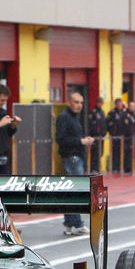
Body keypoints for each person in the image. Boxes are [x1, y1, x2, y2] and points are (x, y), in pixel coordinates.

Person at [55, 91, 93, 235]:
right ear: (69, 103)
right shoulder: (65, 118)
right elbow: (60, 139)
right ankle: (77, 223)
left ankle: (69, 223)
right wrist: (80, 141)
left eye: (81, 103)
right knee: (76, 191)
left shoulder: (74, 118)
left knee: (71, 192)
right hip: (72, 157)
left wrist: (84, 139)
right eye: (76, 102)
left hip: (75, 156)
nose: (79, 105)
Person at [106, 99, 129, 173]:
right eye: (118, 103)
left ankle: (122, 167)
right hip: (115, 136)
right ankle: (115, 168)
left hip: (123, 137)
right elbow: (108, 124)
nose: (119, 105)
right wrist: (111, 132)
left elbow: (126, 124)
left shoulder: (124, 113)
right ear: (115, 104)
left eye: (120, 103)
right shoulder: (112, 113)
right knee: (115, 153)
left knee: (123, 152)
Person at [87, 96, 106, 173]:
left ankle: (98, 168)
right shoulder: (93, 112)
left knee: (100, 152)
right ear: (97, 103)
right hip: (95, 136)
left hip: (101, 136)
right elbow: (92, 124)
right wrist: (94, 133)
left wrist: (104, 132)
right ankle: (93, 169)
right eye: (99, 103)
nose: (100, 105)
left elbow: (103, 124)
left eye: (102, 103)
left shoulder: (102, 112)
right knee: (95, 153)